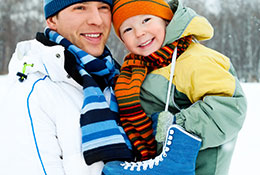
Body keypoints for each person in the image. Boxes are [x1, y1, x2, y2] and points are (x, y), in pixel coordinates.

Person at [102, 0, 247, 174]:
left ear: (166, 20)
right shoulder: (136, 70)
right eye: (127, 29)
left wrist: (176, 127)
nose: (139, 32)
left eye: (146, 20)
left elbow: (229, 107)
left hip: (199, 168)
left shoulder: (194, 59)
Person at [0, 0, 133, 175]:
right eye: (80, 8)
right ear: (52, 20)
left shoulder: (121, 81)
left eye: (103, 8)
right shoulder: (33, 92)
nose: (98, 20)